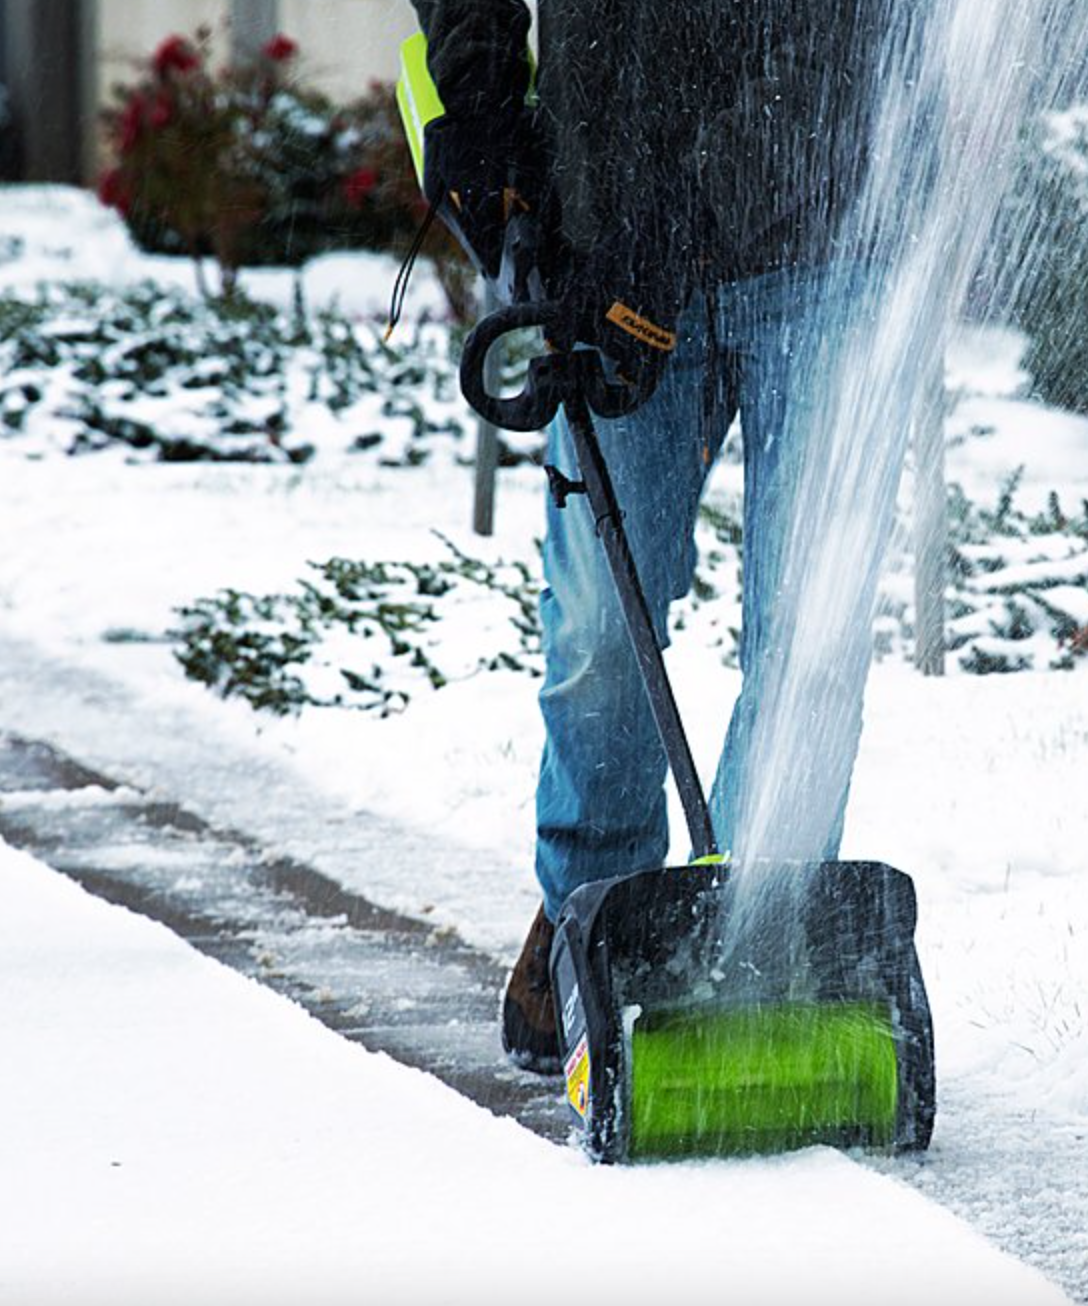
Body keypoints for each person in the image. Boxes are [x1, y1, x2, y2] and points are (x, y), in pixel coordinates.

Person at [409, 0, 901, 1073]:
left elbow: (842, 36)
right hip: (603, 226)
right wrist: (479, 92)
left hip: (827, 235)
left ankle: (748, 946)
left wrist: (680, 217)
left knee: (809, 628)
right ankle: (595, 903)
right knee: (598, 619)